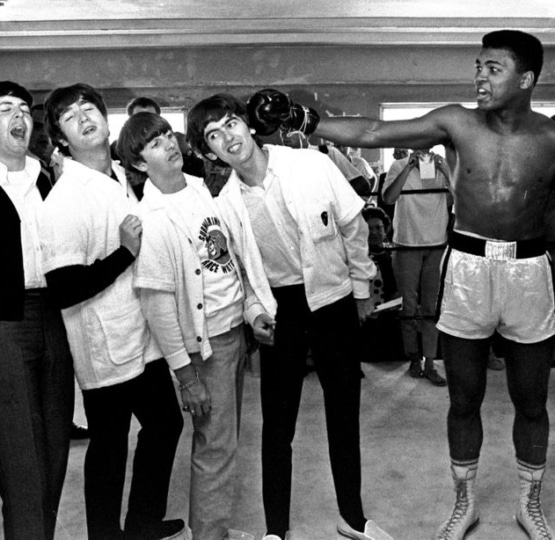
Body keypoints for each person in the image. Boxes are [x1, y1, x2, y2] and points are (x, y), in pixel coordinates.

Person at [247, 29, 555, 540]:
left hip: (528, 271)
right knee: (464, 396)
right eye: (478, 66)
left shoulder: (550, 138)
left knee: (530, 398)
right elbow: (372, 132)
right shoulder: (456, 121)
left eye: (493, 68)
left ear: (526, 79)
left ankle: (530, 503)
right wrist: (305, 120)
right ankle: (464, 503)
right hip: (468, 268)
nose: (480, 75)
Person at [187, 93, 391, 540]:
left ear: (247, 124)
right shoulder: (224, 204)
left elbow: (353, 228)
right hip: (281, 313)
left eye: (231, 124)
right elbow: (238, 273)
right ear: (209, 152)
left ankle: (353, 519)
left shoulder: (309, 165)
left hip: (333, 300)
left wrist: (361, 289)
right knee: (277, 428)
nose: (228, 138)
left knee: (344, 414)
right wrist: (254, 311)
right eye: (214, 136)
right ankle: (275, 531)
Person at [116, 111, 273, 540]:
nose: (168, 143)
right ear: (138, 164)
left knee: (223, 441)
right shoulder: (151, 217)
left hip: (234, 330)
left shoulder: (206, 190)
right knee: (215, 446)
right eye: (153, 143)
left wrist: (254, 310)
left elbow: (238, 259)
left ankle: (213, 528)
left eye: (167, 134)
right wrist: (187, 377)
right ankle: (209, 534)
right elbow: (157, 305)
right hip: (207, 347)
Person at [40, 83, 185, 540]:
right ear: (62, 138)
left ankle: (141, 522)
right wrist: (125, 253)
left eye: (90, 108)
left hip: (143, 334)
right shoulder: (64, 199)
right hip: (102, 341)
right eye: (70, 116)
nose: (84, 117)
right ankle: (104, 535)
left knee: (165, 423)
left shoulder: (124, 175)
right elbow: (63, 288)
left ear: (107, 118)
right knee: (109, 445)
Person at [0, 81, 74, 540]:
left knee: (55, 443)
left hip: (55, 312)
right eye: (5, 108)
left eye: (25, 109)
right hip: (5, 321)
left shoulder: (48, 175)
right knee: (20, 452)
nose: (19, 117)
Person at [382, 147, 450, 386]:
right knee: (408, 306)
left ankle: (430, 361)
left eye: (427, 145)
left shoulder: (443, 167)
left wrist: (445, 170)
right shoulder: (398, 165)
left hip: (436, 245)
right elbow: (388, 198)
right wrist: (408, 166)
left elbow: (459, 200)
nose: (423, 149)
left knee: (432, 307)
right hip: (406, 243)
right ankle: (413, 358)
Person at [358, 206, 403, 363]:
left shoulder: (394, 255)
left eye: (379, 227)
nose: (374, 232)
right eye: (369, 228)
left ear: (386, 229)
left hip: (391, 316)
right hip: (365, 318)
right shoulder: (358, 257)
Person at [279, 129, 373, 199]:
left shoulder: (328, 153)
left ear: (305, 135)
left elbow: (361, 184)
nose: (284, 136)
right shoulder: (281, 160)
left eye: (290, 131)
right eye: (281, 131)